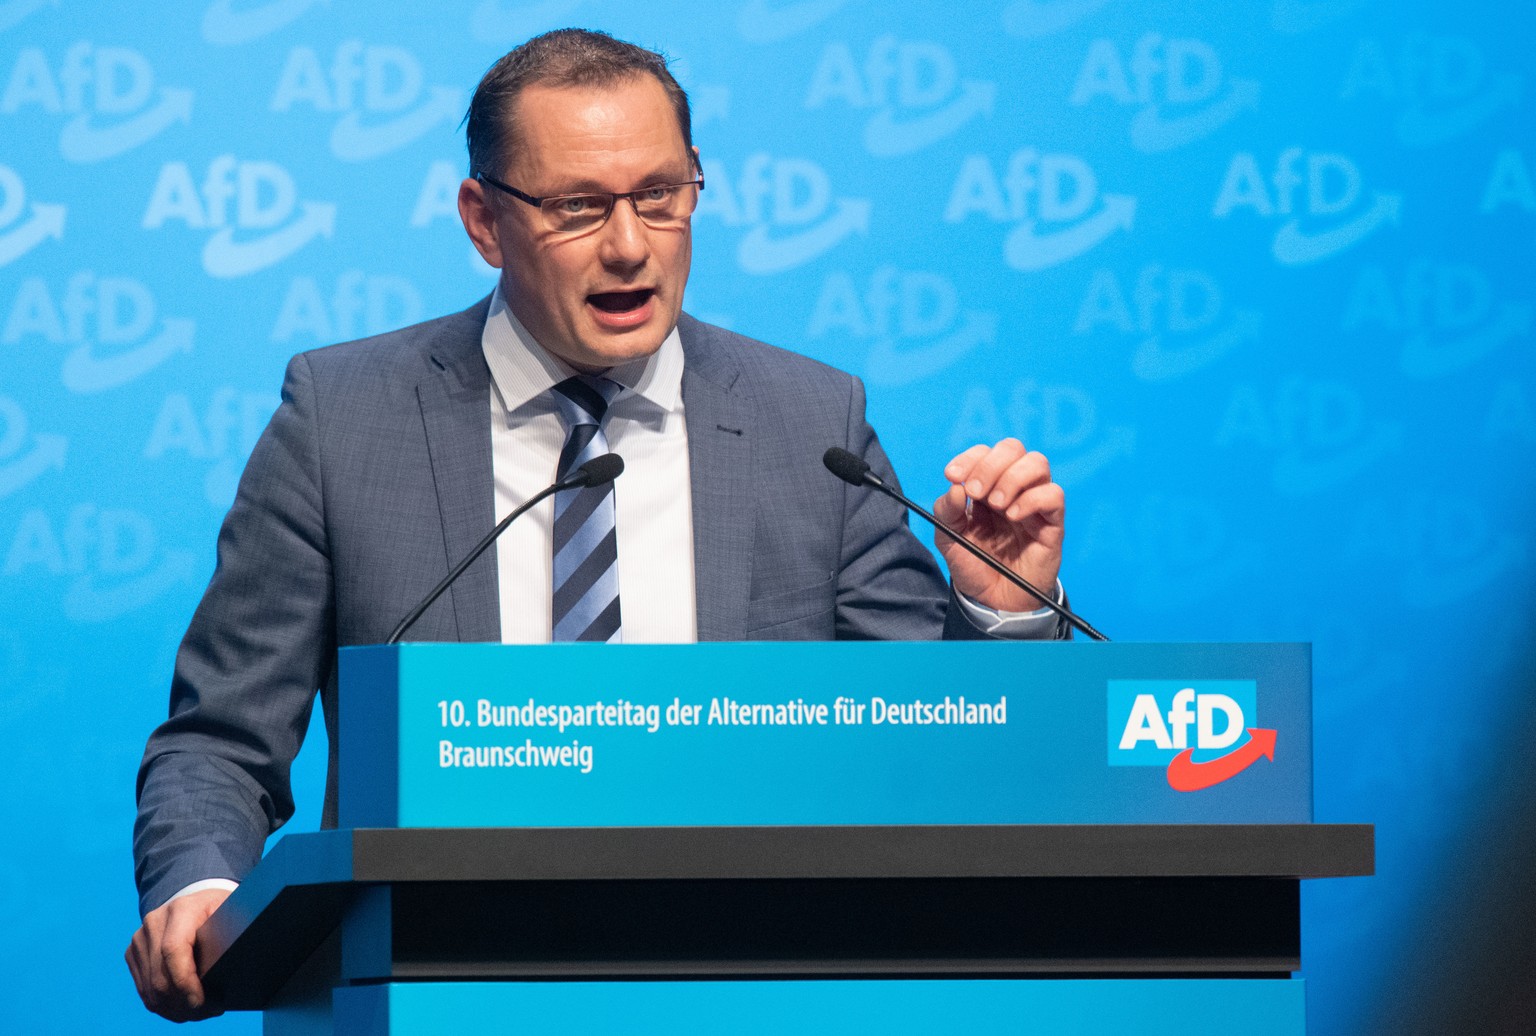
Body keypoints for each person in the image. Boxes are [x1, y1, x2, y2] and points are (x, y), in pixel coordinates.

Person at [125, 29, 1069, 1021]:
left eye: (660, 194)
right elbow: (221, 739)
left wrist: (997, 614)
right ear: (484, 222)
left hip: (752, 994)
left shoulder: (810, 423)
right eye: (579, 207)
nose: (629, 244)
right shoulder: (342, 418)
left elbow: (936, 747)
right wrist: (200, 890)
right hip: (429, 993)